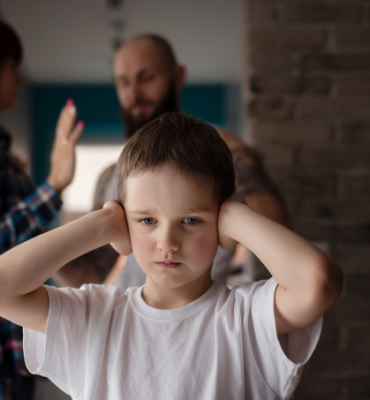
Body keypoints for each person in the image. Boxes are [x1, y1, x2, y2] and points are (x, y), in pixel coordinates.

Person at [0, 113, 342, 399]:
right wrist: (101, 225)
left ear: (220, 220)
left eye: (191, 220)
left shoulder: (247, 318)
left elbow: (319, 281)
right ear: (124, 219)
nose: (168, 242)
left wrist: (237, 217)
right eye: (147, 220)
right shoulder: (94, 317)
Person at [54, 34, 290, 290]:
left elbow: (276, 225)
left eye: (146, 78)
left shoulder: (223, 150)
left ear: (177, 76)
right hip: (131, 318)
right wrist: (50, 192)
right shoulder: (112, 176)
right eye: (124, 83)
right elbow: (92, 276)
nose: (134, 94)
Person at [0, 20, 83, 399]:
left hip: (14, 349)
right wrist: (52, 185)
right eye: (12, 69)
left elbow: (26, 245)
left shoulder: (9, 158)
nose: (19, 81)